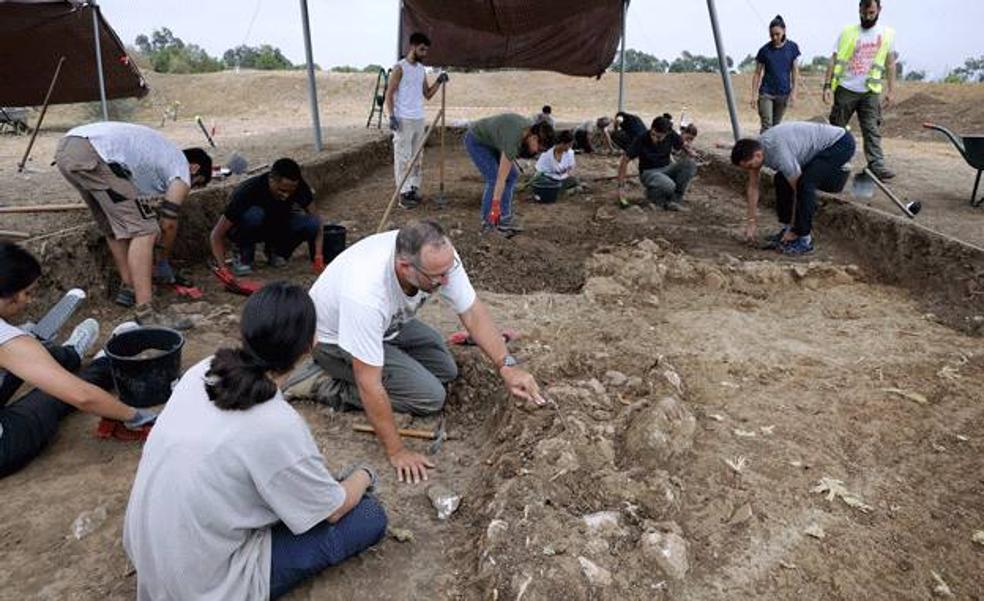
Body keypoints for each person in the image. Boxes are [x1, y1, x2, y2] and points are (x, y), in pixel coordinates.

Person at [124, 282, 386, 600]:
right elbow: (332, 510)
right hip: (201, 586)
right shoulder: (277, 424)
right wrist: (364, 475)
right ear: (310, 345)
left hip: (149, 552)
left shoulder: (202, 371)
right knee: (369, 516)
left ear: (245, 331)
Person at [309, 220, 546, 484]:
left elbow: (471, 311)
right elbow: (369, 383)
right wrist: (397, 451)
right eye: (437, 277)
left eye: (448, 271)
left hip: (386, 327)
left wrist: (507, 365)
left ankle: (384, 359)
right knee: (430, 397)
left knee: (447, 369)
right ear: (405, 267)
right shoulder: (366, 294)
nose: (446, 281)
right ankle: (319, 383)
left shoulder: (438, 257)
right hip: (334, 338)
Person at [0, 243, 155, 478]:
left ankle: (71, 353)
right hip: (5, 446)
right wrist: (136, 417)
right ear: (9, 297)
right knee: (54, 394)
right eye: (27, 293)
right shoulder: (8, 340)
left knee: (33, 352)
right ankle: (105, 363)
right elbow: (82, 397)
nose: (29, 300)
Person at [54, 121, 211, 329]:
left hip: (68, 148)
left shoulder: (158, 158)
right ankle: (146, 312)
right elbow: (168, 222)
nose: (189, 189)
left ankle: (128, 287)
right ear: (194, 168)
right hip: (93, 152)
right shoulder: (181, 168)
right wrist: (162, 261)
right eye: (196, 182)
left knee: (113, 226)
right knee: (146, 229)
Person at [731, 121, 856, 255]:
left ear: (758, 155)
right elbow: (753, 187)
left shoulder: (779, 154)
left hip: (839, 143)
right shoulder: (756, 150)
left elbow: (798, 191)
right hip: (815, 147)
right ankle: (786, 229)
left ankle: (803, 238)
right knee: (781, 179)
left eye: (750, 166)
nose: (750, 169)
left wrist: (794, 228)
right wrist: (751, 223)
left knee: (805, 185)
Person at [209, 158, 324, 276]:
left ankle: (276, 251)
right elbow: (216, 234)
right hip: (246, 229)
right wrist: (223, 269)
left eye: (291, 191)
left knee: (311, 223)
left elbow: (317, 222)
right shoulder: (248, 191)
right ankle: (243, 254)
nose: (286, 195)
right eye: (282, 190)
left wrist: (318, 256)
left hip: (274, 225)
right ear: (271, 180)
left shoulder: (299, 186)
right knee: (254, 215)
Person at [823, 0, 896, 180]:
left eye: (871, 13)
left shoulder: (886, 34)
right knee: (837, 129)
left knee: (871, 129)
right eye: (864, 13)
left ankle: (876, 165)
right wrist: (827, 85)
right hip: (846, 88)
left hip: (870, 90)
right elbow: (833, 59)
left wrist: (891, 90)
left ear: (879, 10)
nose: (867, 17)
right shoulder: (848, 32)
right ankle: (831, 162)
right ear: (859, 9)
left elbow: (890, 63)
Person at [385, 32, 448, 209]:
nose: (424, 53)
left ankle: (413, 188)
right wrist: (391, 116)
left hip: (419, 119)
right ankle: (402, 194)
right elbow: (389, 94)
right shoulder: (400, 68)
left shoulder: (421, 70)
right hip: (403, 119)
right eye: (421, 49)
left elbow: (427, 94)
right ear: (412, 46)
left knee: (417, 157)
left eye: (426, 50)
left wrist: (439, 81)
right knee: (403, 158)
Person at [464, 114, 554, 233]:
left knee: (512, 175)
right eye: (539, 148)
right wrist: (495, 206)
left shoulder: (527, 131)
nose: (537, 152)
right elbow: (501, 179)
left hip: (494, 142)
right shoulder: (513, 140)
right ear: (533, 138)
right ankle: (489, 221)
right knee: (494, 178)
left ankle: (504, 218)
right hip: (477, 140)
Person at [617, 114, 698, 211]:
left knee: (690, 164)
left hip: (668, 168)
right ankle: (653, 197)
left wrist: (689, 151)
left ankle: (674, 201)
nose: (654, 138)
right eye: (653, 134)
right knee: (669, 185)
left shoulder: (671, 134)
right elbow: (625, 160)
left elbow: (681, 143)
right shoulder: (642, 138)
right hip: (649, 172)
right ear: (652, 129)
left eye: (659, 137)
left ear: (667, 133)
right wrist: (621, 186)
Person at [751, 15, 801, 132]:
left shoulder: (792, 48)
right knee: (767, 125)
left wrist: (794, 92)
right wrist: (754, 95)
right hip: (766, 93)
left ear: (784, 31)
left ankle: (772, 150)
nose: (774, 37)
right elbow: (757, 73)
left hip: (783, 94)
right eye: (772, 34)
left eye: (777, 34)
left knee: (776, 127)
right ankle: (762, 149)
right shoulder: (764, 50)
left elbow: (795, 72)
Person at [531, 130, 580, 196]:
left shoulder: (570, 153)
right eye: (569, 145)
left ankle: (555, 191)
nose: (570, 147)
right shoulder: (546, 155)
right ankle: (561, 191)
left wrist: (568, 173)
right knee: (541, 180)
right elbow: (538, 171)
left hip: (562, 179)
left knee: (574, 180)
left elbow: (570, 169)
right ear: (562, 143)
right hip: (549, 180)